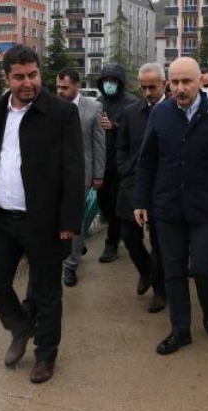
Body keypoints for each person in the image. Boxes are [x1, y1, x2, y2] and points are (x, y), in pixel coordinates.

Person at [0, 45, 84, 384]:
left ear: (40, 73)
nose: (27, 83)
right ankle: (21, 327)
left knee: (47, 292)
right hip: (2, 219)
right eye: (19, 77)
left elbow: (73, 169)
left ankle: (46, 355)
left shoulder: (61, 113)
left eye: (33, 75)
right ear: (7, 78)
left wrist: (69, 221)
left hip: (44, 220)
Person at [134, 57, 208, 355]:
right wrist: (141, 199)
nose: (180, 88)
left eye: (187, 81)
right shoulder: (161, 114)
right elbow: (147, 160)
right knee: (173, 270)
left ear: (199, 82)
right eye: (175, 82)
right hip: (168, 207)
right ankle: (180, 329)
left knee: (203, 266)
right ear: (168, 83)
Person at [116, 63, 168, 313]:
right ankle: (146, 270)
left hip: (162, 186)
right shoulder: (131, 112)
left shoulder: (173, 111)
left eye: (153, 87)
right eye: (143, 87)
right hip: (133, 183)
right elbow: (121, 145)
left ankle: (160, 291)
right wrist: (125, 167)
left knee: (160, 242)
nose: (148, 92)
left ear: (164, 85)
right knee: (129, 236)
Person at [55, 67, 106, 287]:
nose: (60, 91)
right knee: (56, 216)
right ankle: (71, 248)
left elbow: (98, 143)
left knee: (73, 217)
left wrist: (98, 174)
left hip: (82, 174)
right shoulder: (52, 106)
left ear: (77, 85)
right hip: (54, 173)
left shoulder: (93, 107)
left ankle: (71, 264)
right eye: (58, 87)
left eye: (65, 87)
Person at [95, 65, 137, 263]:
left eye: (112, 81)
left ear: (120, 83)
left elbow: (135, 132)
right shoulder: (99, 102)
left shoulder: (131, 103)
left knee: (114, 204)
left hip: (122, 163)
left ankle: (111, 243)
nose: (108, 84)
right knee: (103, 202)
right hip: (102, 161)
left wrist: (114, 126)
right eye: (105, 81)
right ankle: (117, 231)